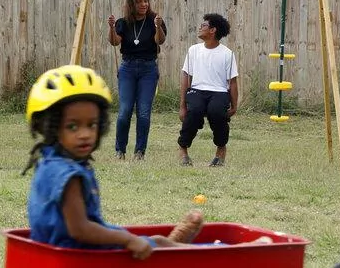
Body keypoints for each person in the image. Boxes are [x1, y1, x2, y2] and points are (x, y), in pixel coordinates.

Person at [22, 65, 206, 260]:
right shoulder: (67, 175)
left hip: (59, 248)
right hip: (80, 254)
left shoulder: (50, 163)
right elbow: (80, 230)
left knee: (157, 241)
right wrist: (126, 239)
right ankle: (197, 255)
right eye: (72, 126)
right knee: (154, 244)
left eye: (91, 125)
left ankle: (175, 244)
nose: (85, 134)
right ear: (50, 127)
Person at [107, 0, 167, 160]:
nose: (144, 4)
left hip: (148, 68)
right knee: (125, 110)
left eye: (146, 1)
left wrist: (158, 27)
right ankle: (120, 150)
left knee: (143, 112)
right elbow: (114, 42)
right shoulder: (123, 22)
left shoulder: (155, 20)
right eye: (139, 1)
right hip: (128, 68)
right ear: (132, 4)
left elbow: (160, 40)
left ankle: (139, 151)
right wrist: (111, 27)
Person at [177, 13, 239, 167]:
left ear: (213, 30)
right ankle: (183, 151)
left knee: (217, 112)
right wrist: (182, 106)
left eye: (203, 25)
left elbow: (232, 82)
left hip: (219, 92)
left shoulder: (228, 54)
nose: (200, 28)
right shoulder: (193, 50)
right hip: (197, 90)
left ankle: (221, 150)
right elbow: (186, 77)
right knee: (195, 111)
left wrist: (234, 105)